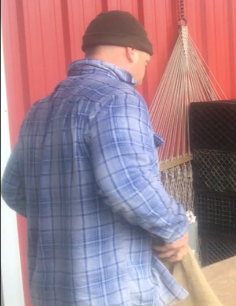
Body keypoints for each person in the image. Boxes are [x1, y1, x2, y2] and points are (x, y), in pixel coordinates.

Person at [1, 10, 190, 306]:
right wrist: (175, 227)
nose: (143, 70)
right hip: (109, 291)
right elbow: (130, 184)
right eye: (146, 60)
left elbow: (13, 189)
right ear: (131, 51)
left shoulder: (40, 109)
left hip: (50, 291)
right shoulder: (118, 98)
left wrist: (64, 216)